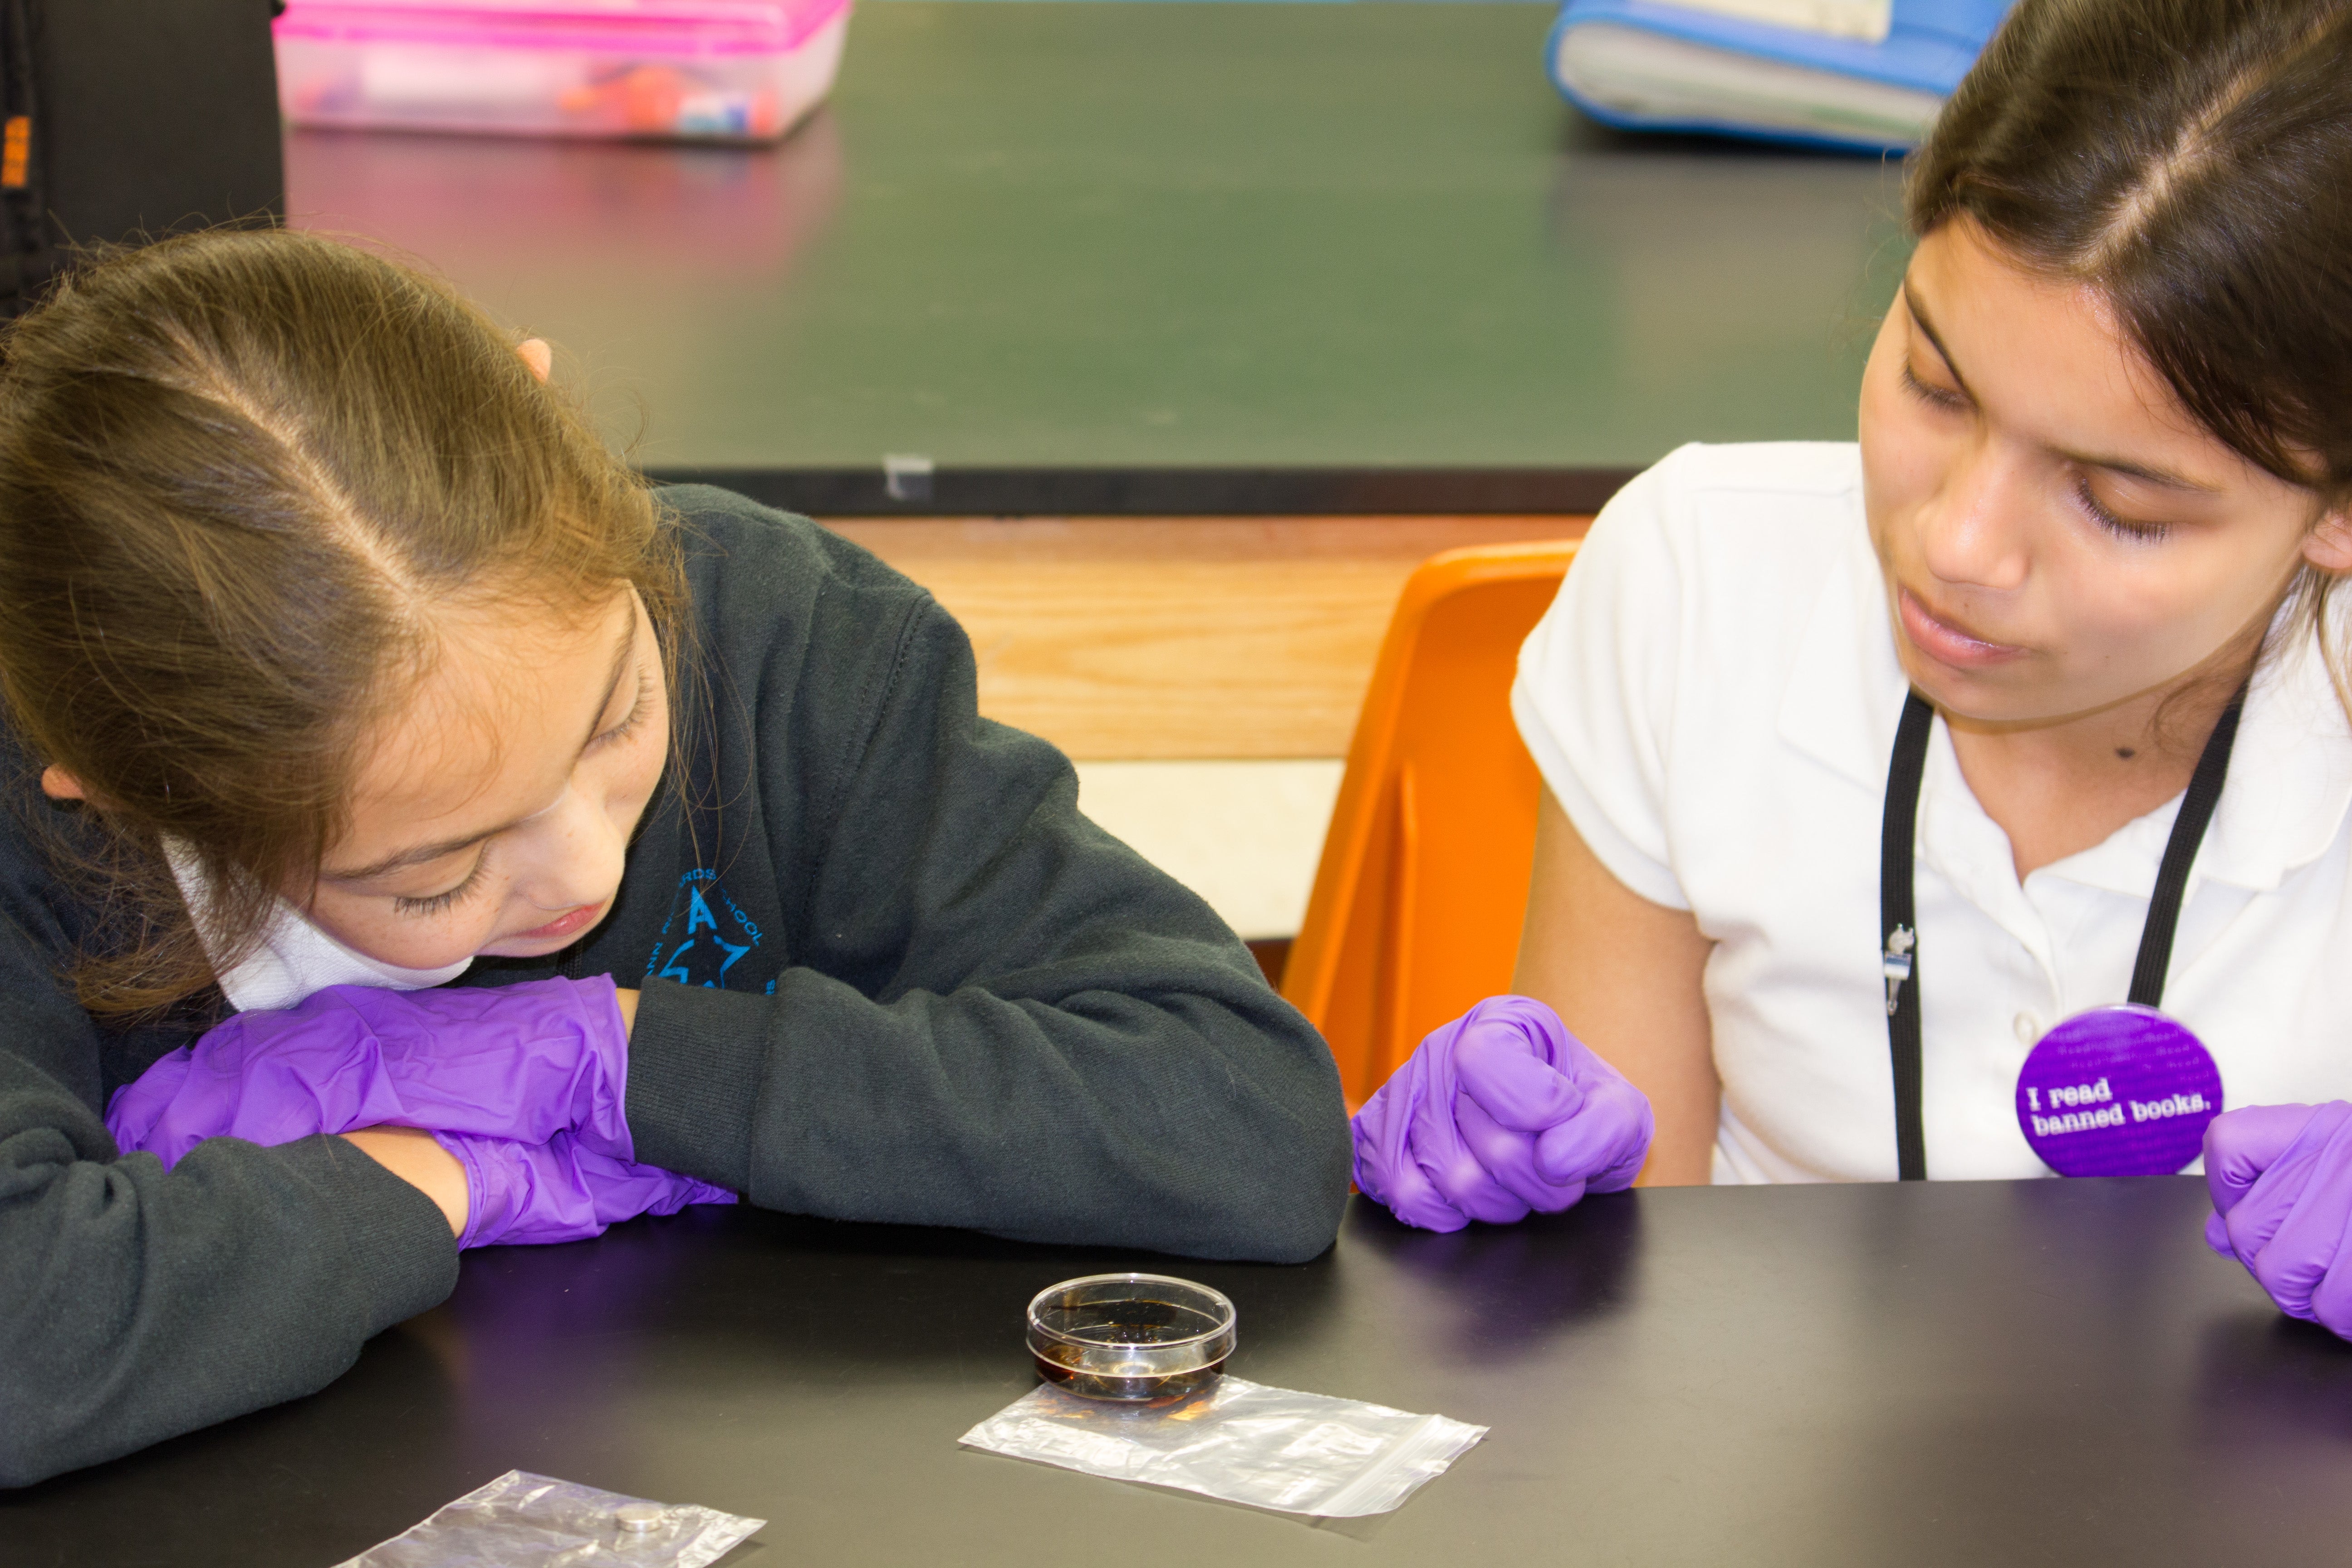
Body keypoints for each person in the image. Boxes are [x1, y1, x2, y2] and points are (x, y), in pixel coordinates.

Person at [0, 229, 1350, 1486]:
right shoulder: (33, 830)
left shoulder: (780, 643)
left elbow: (1236, 1116)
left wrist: (632, 1058)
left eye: (618, 716)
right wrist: (436, 1172)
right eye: (434, 875)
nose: (587, 874)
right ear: (126, 799)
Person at [1352, 0, 2352, 1335]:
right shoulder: (1700, 587)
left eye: (2120, 501)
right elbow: (1611, 1323)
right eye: (1937, 387)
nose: (1956, 544)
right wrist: (1513, 1184)